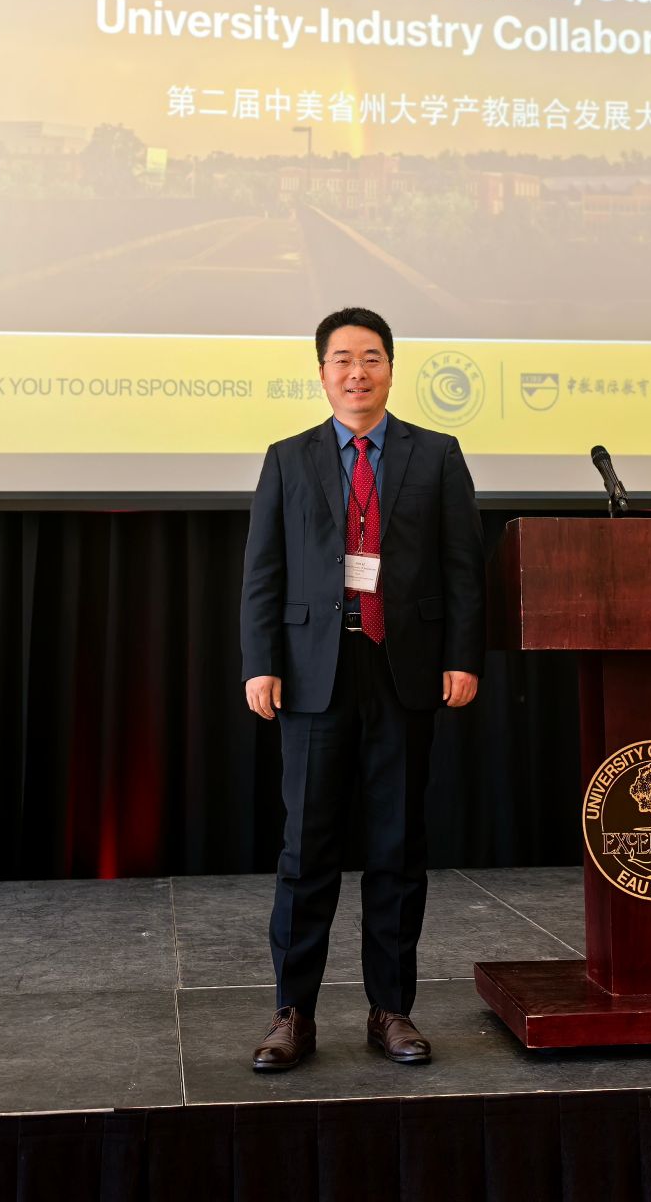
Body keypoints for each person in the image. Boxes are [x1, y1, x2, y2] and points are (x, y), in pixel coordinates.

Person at [239, 306, 485, 1071]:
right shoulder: (288, 458)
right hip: (314, 670)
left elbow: (463, 567)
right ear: (322, 373)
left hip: (402, 668)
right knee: (305, 852)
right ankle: (293, 1014)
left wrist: (462, 655)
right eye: (342, 359)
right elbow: (263, 571)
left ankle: (391, 1010)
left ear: (391, 369)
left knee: (396, 848)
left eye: (371, 358)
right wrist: (260, 661)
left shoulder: (436, 454)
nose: (357, 372)